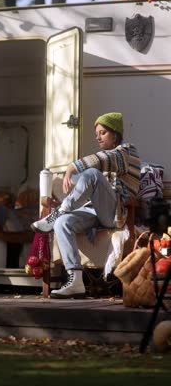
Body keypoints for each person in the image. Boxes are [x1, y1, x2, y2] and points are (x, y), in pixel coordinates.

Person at [31, 112, 141, 299]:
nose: (98, 137)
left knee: (90, 174)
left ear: (115, 134)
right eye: (96, 133)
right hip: (95, 211)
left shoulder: (127, 152)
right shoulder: (109, 157)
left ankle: (58, 212)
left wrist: (72, 167)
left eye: (103, 132)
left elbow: (104, 159)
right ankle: (75, 281)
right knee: (62, 223)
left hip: (115, 212)